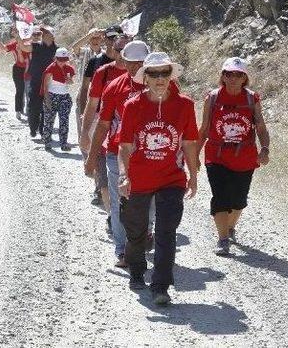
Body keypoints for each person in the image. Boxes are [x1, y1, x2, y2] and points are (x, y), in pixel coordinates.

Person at [117, 52, 198, 305]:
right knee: (136, 230)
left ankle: (161, 285)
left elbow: (189, 143)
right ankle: (137, 269)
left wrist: (193, 176)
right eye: (155, 74)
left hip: (171, 179)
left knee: (166, 231)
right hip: (139, 178)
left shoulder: (185, 105)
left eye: (165, 73)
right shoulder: (133, 105)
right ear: (146, 78)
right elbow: (125, 146)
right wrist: (123, 175)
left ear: (171, 76)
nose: (160, 78)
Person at [85, 40, 152, 267]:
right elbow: (103, 125)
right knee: (118, 201)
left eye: (140, 63)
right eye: (130, 62)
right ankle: (122, 250)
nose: (135, 67)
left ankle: (146, 232)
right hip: (116, 151)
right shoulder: (114, 86)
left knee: (148, 201)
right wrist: (91, 157)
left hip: (152, 154)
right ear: (122, 60)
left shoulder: (162, 85)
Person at [197, 57, 270, 256]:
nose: (233, 78)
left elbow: (261, 126)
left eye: (238, 75)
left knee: (238, 201)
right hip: (217, 155)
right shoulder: (212, 98)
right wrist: (194, 155)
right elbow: (203, 130)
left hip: (244, 157)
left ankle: (229, 228)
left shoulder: (251, 99)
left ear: (245, 77)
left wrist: (264, 148)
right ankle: (222, 239)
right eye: (229, 74)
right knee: (220, 197)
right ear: (223, 76)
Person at [24, 26, 57, 138]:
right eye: (44, 34)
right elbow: (25, 48)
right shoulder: (37, 46)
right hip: (36, 81)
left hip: (50, 83)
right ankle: (33, 128)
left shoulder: (57, 49)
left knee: (47, 108)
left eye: (47, 34)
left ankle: (44, 132)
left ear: (52, 36)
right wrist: (18, 37)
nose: (44, 36)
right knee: (34, 106)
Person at [41, 48, 75, 151]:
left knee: (64, 121)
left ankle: (63, 144)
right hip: (52, 96)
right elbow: (45, 86)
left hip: (64, 97)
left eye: (65, 59)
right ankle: (47, 142)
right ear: (56, 58)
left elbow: (70, 83)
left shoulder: (69, 69)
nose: (62, 62)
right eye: (60, 59)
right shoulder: (50, 69)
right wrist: (47, 100)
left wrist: (69, 81)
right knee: (49, 121)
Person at [1, 26, 31, 120]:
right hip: (18, 69)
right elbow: (3, 49)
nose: (17, 34)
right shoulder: (14, 44)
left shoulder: (29, 44)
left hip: (29, 69)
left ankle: (29, 110)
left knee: (28, 91)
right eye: (16, 32)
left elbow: (25, 61)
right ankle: (18, 110)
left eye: (18, 32)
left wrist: (20, 52)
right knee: (20, 90)